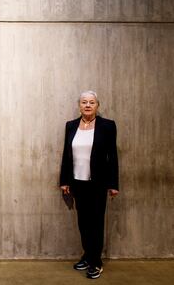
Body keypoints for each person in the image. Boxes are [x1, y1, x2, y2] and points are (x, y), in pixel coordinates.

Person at [59, 90, 119, 279]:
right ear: (79, 105)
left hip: (98, 183)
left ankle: (96, 261)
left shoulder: (107, 126)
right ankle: (87, 255)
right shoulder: (71, 126)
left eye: (91, 102)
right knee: (83, 222)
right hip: (77, 182)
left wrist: (113, 183)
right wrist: (64, 180)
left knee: (96, 222)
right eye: (84, 102)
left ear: (97, 106)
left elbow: (113, 157)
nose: (87, 105)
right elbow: (66, 155)